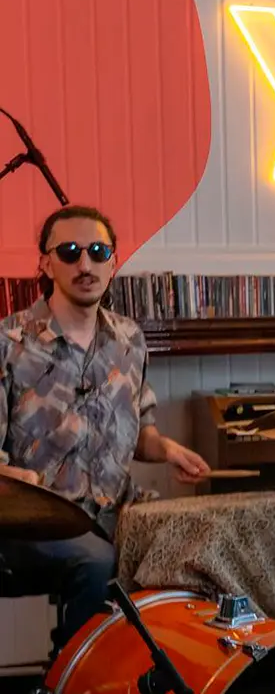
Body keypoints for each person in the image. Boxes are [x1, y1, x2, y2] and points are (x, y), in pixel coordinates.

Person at [0, 205, 209, 653]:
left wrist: (169, 449)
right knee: (97, 562)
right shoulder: (8, 342)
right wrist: (16, 480)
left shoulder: (129, 339)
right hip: (31, 524)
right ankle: (76, 676)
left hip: (118, 511)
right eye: (70, 251)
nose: (85, 264)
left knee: (202, 543)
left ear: (113, 262)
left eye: (97, 252)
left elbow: (140, 434)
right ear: (45, 262)